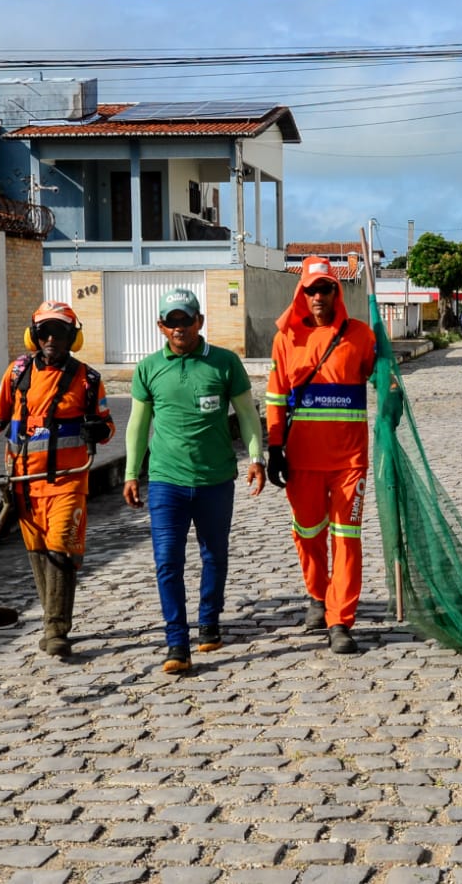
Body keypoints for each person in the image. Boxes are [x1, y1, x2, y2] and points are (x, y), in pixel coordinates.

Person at [0, 301, 114, 658]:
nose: (51, 339)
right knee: (39, 554)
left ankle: (56, 629)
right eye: (44, 332)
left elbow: (106, 427)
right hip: (24, 483)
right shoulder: (18, 372)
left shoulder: (88, 380)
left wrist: (99, 428)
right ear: (33, 335)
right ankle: (53, 617)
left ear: (72, 338)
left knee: (61, 547)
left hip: (66, 481)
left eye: (59, 332)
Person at [122, 287, 266, 674]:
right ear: (161, 326)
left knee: (213, 554)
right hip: (166, 480)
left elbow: (247, 414)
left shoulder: (224, 363)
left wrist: (256, 457)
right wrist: (131, 472)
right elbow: (138, 424)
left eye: (186, 319)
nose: (179, 327)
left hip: (215, 479)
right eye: (172, 321)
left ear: (199, 321)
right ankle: (176, 643)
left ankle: (209, 621)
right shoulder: (148, 368)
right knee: (167, 561)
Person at [265, 256, 382, 655]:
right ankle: (318, 596)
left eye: (325, 288)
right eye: (311, 289)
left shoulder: (362, 335)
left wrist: (388, 370)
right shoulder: (286, 339)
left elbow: (382, 376)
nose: (318, 296)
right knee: (308, 535)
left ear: (337, 291)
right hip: (302, 459)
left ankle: (340, 620)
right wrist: (274, 446)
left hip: (350, 462)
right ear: (302, 293)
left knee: (347, 539)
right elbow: (276, 395)